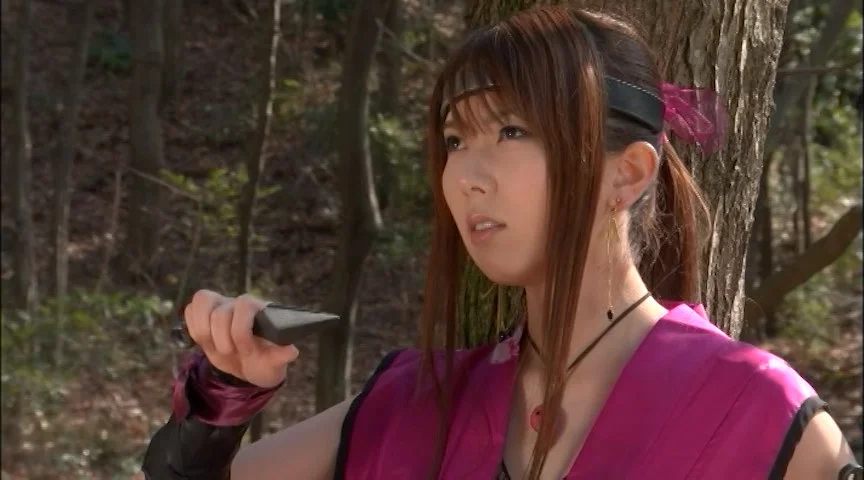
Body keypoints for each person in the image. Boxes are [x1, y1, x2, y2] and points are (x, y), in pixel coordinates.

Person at [139, 5, 862, 480]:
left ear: (627, 173)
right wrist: (222, 392)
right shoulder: (410, 402)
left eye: (511, 130)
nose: (466, 176)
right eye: (456, 139)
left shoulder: (752, 408)